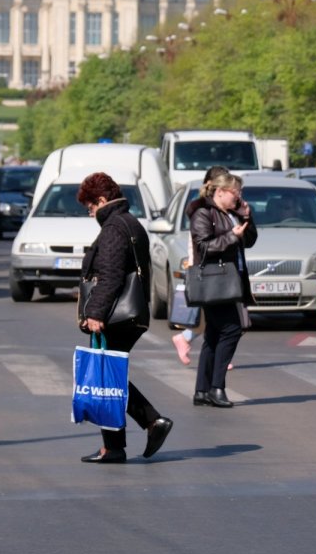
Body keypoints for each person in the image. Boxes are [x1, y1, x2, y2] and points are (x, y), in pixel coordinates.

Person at [76, 172, 172, 463]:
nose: (90, 213)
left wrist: (95, 312)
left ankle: (149, 424)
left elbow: (112, 275)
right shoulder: (130, 222)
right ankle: (115, 445)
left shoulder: (114, 228)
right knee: (108, 377)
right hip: (130, 313)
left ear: (102, 200)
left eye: (90, 207)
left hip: (117, 315)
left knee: (107, 377)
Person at [190, 173, 257, 408]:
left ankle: (202, 390)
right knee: (232, 329)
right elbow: (203, 247)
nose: (238, 197)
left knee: (214, 335)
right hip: (213, 282)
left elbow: (249, 241)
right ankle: (216, 387)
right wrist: (231, 236)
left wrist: (247, 216)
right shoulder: (203, 213)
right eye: (234, 193)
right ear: (219, 192)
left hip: (230, 280)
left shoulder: (232, 214)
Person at [172, 166, 230, 366]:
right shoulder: (203, 210)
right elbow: (201, 244)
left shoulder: (218, 208)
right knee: (218, 317)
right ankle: (217, 353)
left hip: (212, 269)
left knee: (209, 317)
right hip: (206, 269)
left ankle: (187, 339)